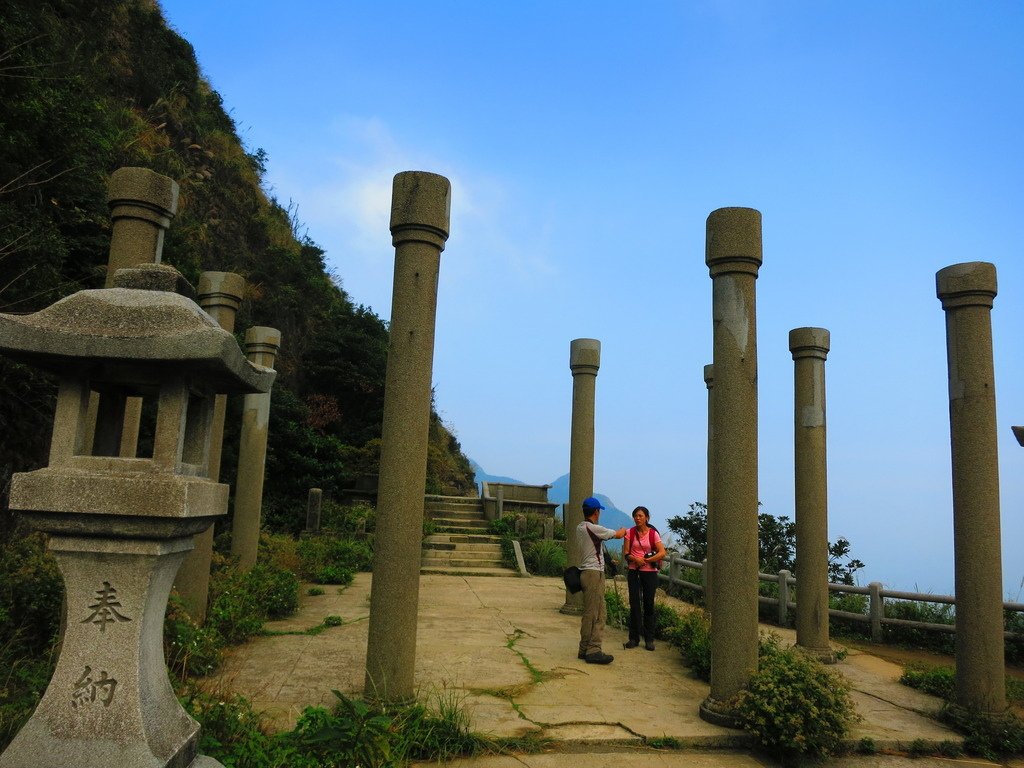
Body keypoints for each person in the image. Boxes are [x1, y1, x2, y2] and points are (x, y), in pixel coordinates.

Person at [576, 496, 627, 664]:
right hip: (594, 574)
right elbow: (617, 534)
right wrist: (624, 531)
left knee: (590, 612)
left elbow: (594, 548)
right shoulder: (593, 528)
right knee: (598, 613)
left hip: (585, 572)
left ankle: (584, 649)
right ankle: (594, 649)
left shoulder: (580, 527)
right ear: (596, 512)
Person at [622, 505, 666, 651]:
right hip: (634, 571)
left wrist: (647, 560)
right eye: (635, 516)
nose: (637, 518)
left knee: (648, 604)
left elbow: (662, 552)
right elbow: (626, 553)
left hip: (649, 572)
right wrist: (635, 559)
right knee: (634, 604)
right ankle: (633, 638)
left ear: (647, 518)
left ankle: (649, 639)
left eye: (640, 516)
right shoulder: (630, 532)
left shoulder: (653, 534)